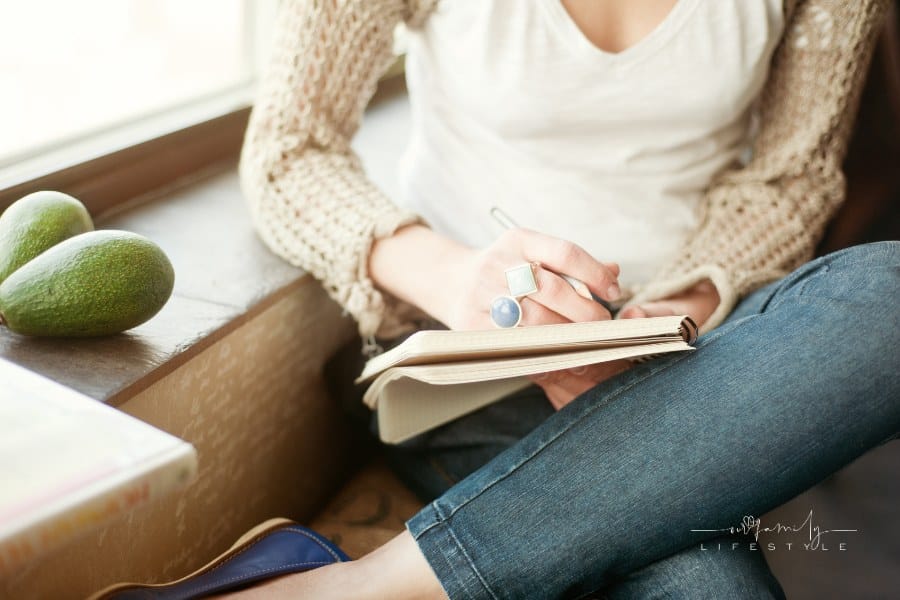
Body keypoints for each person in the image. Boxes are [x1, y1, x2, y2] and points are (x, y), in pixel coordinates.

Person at [109, 1, 900, 598]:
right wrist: (461, 283)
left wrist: (665, 318)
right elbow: (289, 151)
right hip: (473, 369)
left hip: (699, 352)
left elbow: (793, 178)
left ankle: (352, 588)